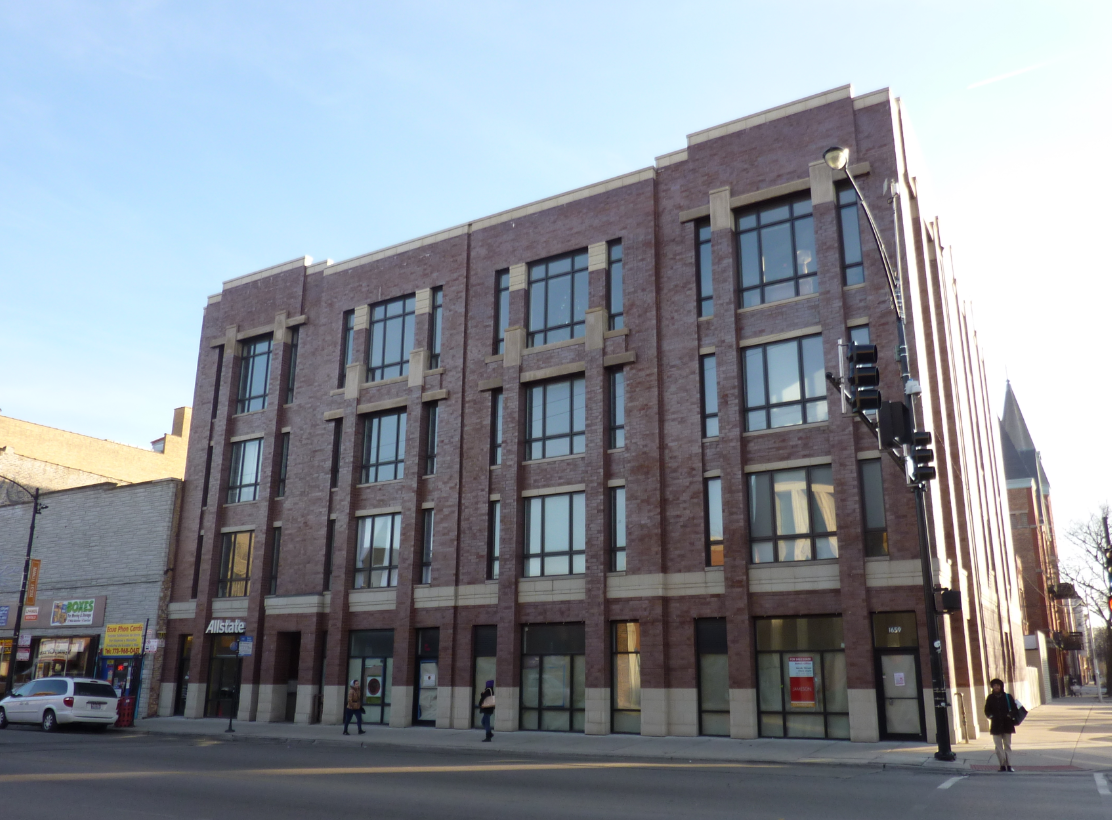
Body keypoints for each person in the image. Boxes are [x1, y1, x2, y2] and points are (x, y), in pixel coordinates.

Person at [984, 678, 1018, 772]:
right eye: (994, 686)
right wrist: (991, 716)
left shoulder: (1007, 697)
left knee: (1007, 745)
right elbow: (986, 710)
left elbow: (1015, 709)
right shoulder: (990, 698)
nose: (996, 687)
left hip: (1007, 725)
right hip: (995, 725)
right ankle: (1002, 765)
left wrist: (1009, 715)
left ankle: (1009, 765)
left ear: (1001, 686)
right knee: (998, 747)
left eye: (998, 685)